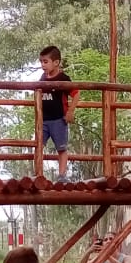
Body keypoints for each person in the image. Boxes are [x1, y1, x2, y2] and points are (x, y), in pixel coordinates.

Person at [38, 44, 79, 183]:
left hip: (58, 120)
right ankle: (38, 175)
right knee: (38, 146)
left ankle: (62, 176)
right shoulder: (42, 79)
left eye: (45, 62)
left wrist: (70, 112)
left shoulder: (64, 78)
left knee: (61, 149)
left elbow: (76, 94)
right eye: (41, 62)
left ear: (56, 62)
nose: (43, 65)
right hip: (43, 120)